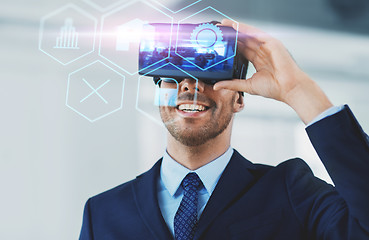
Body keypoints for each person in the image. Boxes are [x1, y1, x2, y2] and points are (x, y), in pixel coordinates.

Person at [79, 19, 369, 239]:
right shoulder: (102, 212)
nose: (190, 85)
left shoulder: (289, 189)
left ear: (239, 98)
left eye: (209, 73)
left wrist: (297, 89)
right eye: (171, 77)